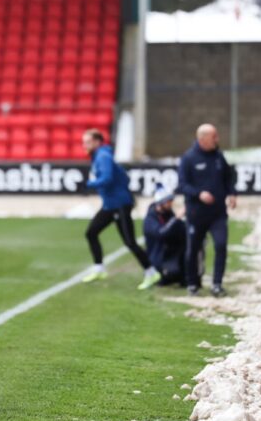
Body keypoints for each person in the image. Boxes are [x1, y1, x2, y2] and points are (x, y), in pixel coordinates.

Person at [81, 129, 161, 290]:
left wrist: (89, 184)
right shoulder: (99, 156)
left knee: (129, 241)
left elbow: (107, 178)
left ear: (97, 142)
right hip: (110, 205)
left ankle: (151, 271)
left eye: (88, 142)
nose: (85, 145)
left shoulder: (103, 156)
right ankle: (99, 268)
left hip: (119, 205)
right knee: (91, 232)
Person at [177, 123, 237, 297]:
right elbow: (182, 185)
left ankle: (217, 284)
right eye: (214, 136)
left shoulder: (219, 156)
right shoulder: (188, 158)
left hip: (218, 214)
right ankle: (192, 283)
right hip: (196, 214)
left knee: (221, 245)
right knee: (193, 249)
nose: (217, 139)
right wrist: (198, 194)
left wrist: (232, 193)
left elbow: (229, 176)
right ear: (202, 139)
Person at [143, 184, 190, 287]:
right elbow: (161, 233)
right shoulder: (150, 219)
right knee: (172, 273)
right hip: (158, 259)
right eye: (168, 201)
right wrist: (176, 219)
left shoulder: (168, 214)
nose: (171, 203)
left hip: (169, 255)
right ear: (161, 203)